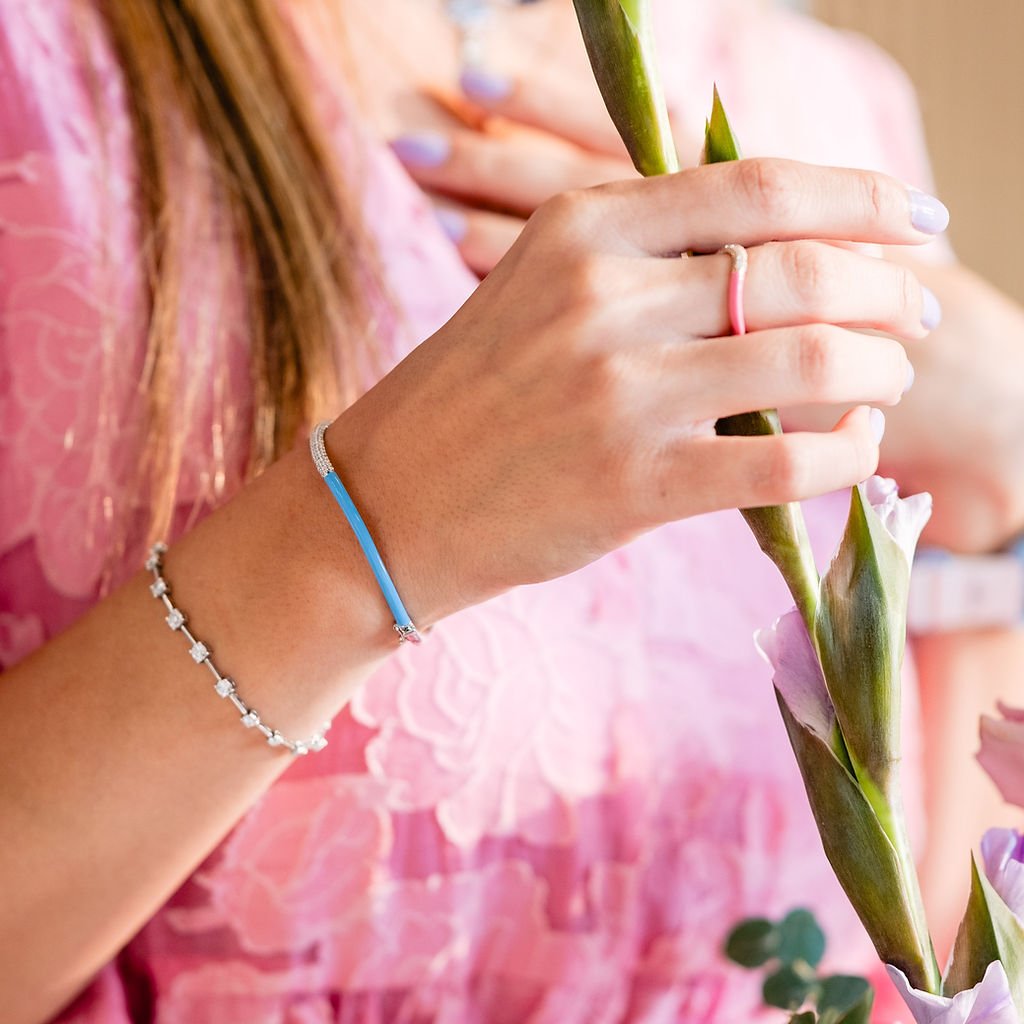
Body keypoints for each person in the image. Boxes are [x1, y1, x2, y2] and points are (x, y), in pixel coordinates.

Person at [0, 1, 1015, 1022]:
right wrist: (373, 524)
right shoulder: (38, 80)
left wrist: (1004, 432)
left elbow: (916, 946)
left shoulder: (824, 100)